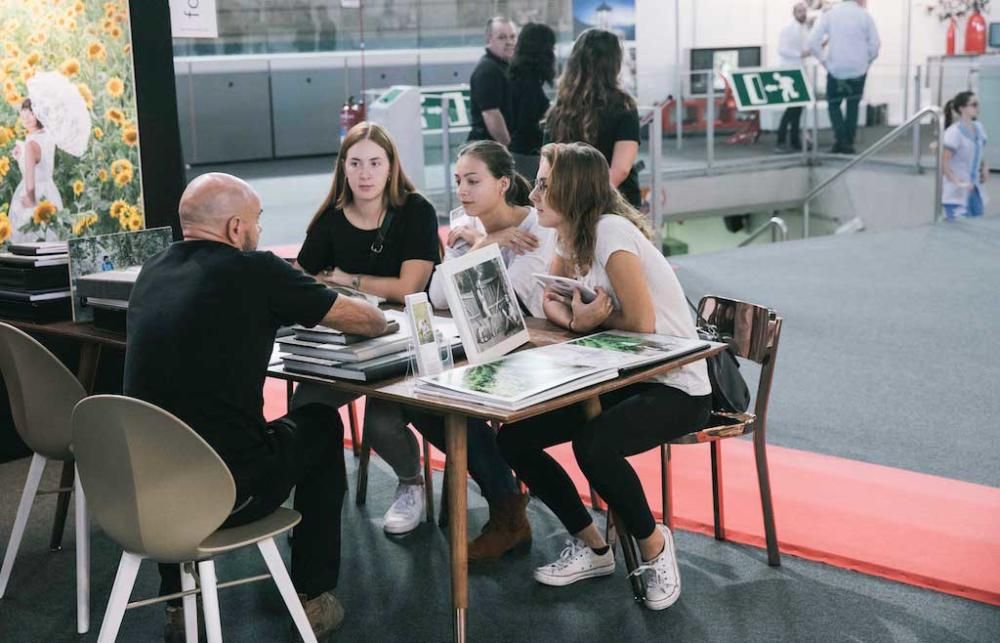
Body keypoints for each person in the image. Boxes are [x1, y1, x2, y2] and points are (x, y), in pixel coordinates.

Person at [123, 173, 388, 642]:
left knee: (175, 433)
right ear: (234, 229)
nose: (260, 231)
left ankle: (181, 605)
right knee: (322, 424)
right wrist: (377, 313)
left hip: (144, 493)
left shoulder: (152, 270)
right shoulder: (257, 270)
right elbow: (366, 320)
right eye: (258, 222)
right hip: (228, 493)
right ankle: (313, 597)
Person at [496, 143, 712, 611]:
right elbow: (549, 298)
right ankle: (593, 546)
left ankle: (653, 545)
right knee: (513, 438)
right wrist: (578, 320)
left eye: (544, 184)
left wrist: (592, 320)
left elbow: (642, 323)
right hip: (621, 378)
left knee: (594, 445)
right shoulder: (572, 235)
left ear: (571, 189)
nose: (533, 195)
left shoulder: (610, 230)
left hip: (676, 383)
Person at [363, 141, 554, 560]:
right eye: (457, 181)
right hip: (476, 350)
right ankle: (506, 503)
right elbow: (438, 296)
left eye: (473, 180)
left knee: (440, 402)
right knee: (419, 402)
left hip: (532, 353)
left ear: (503, 184)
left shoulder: (538, 228)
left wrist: (484, 244)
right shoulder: (470, 226)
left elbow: (517, 301)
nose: (463, 191)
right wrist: (486, 242)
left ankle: (506, 507)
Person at [292, 120, 440, 422]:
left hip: (409, 341)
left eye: (375, 163)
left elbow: (408, 288)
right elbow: (298, 283)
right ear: (343, 167)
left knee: (382, 425)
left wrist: (349, 281)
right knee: (304, 407)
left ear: (390, 167)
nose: (365, 174)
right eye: (356, 163)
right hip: (351, 342)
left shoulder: (416, 211)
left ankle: (409, 473)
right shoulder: (330, 220)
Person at [544, 28, 642, 208]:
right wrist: (590, 204)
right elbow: (620, 170)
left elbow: (547, 164)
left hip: (570, 203)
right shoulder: (624, 106)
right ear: (614, 64)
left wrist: (572, 202)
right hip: (615, 204)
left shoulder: (559, 108)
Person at [807, 0, 880, 154]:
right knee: (853, 107)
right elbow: (875, 45)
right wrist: (866, 61)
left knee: (833, 105)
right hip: (858, 70)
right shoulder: (864, 16)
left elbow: (813, 41)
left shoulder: (830, 14)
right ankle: (848, 142)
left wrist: (824, 61)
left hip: (836, 69)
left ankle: (841, 140)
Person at [8, 99, 62, 242]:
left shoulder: (31, 144)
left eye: (31, 112)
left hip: (33, 193)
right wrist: (21, 157)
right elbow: (41, 163)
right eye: (24, 111)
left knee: (31, 238)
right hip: (49, 191)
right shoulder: (48, 136)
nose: (25, 116)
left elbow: (30, 180)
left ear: (39, 115)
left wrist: (30, 199)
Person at [508, 22, 557, 180]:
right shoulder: (529, 83)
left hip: (520, 152)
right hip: (527, 155)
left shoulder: (518, 76)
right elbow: (527, 123)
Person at [468, 16, 516, 144]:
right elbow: (491, 114)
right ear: (489, 39)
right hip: (488, 149)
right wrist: (509, 149)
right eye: (502, 37)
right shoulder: (487, 70)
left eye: (512, 37)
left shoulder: (505, 67)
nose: (509, 42)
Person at [942, 91, 989, 220]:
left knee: (976, 228)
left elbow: (979, 151)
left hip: (974, 189)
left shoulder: (979, 128)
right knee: (958, 233)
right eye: (973, 105)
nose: (977, 108)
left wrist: (984, 167)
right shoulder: (953, 133)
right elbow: (944, 163)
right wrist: (956, 181)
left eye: (977, 104)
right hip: (956, 191)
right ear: (962, 108)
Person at [775, 2, 811, 153]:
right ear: (794, 13)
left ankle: (793, 140)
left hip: (799, 70)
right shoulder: (788, 29)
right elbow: (781, 49)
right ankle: (782, 140)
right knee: (792, 108)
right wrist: (800, 54)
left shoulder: (803, 29)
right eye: (800, 11)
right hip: (790, 72)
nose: (803, 14)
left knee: (798, 109)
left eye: (804, 11)